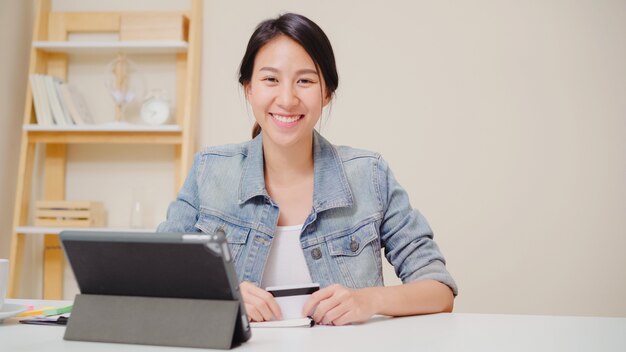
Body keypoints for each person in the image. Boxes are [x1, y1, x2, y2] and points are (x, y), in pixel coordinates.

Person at [158, 13, 457, 326]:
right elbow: (155, 274)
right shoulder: (210, 171)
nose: (287, 99)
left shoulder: (369, 174)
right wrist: (220, 293)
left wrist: (368, 299)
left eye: (305, 80)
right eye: (270, 79)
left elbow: (439, 291)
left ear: (326, 93)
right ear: (249, 89)